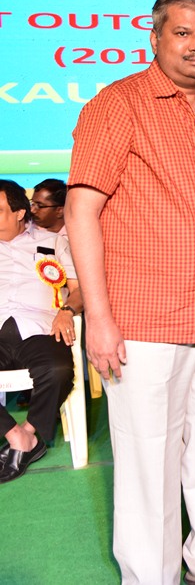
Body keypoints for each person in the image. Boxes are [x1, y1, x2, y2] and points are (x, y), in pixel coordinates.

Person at [65, 0, 195, 585]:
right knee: (147, 463)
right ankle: (150, 576)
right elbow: (81, 211)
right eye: (182, 33)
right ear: (155, 37)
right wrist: (99, 317)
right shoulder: (117, 104)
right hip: (146, 322)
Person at [0, 180, 82, 483]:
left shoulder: (53, 242)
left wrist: (67, 311)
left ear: (19, 212)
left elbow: (79, 289)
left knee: (58, 370)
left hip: (40, 328)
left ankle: (30, 431)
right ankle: (17, 437)